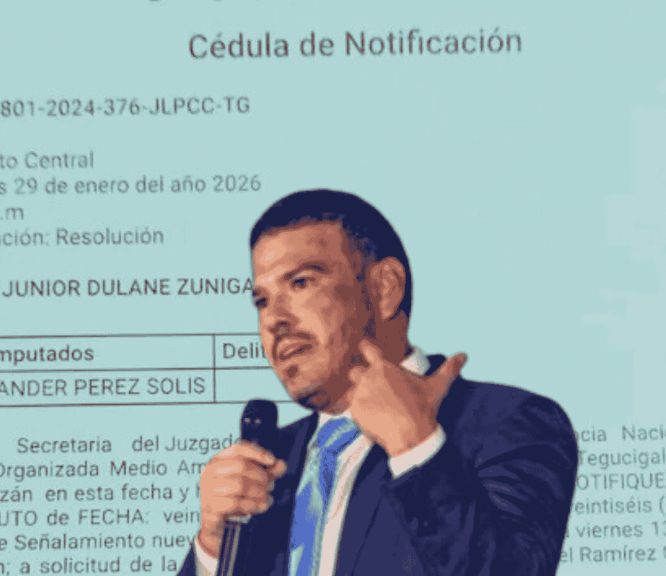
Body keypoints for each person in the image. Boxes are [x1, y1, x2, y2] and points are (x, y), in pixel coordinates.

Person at [177, 190, 578, 576]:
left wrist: (416, 446)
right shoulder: (268, 466)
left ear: (385, 287)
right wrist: (212, 550)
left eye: (300, 283)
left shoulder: (506, 422)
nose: (274, 320)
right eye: (261, 301)